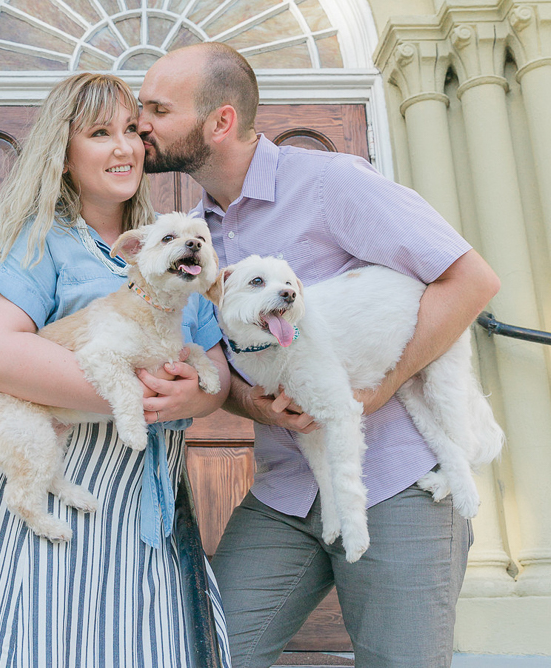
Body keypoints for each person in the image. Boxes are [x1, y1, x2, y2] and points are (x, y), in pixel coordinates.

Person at [138, 42, 501, 668]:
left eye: (157, 108)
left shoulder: (332, 184)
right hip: (287, 492)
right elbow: (233, 367)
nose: (141, 122)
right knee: (206, 653)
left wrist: (377, 391)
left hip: (400, 482)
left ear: (220, 121)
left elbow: (470, 282)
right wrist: (256, 402)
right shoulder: (199, 236)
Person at [0, 72, 232, 668]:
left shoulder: (172, 245)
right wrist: (140, 393)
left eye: (132, 132)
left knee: (132, 641)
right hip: (62, 471)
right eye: (99, 133)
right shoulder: (44, 244)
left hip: (145, 495)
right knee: (45, 638)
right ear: (63, 157)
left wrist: (192, 394)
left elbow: (211, 365)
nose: (124, 148)